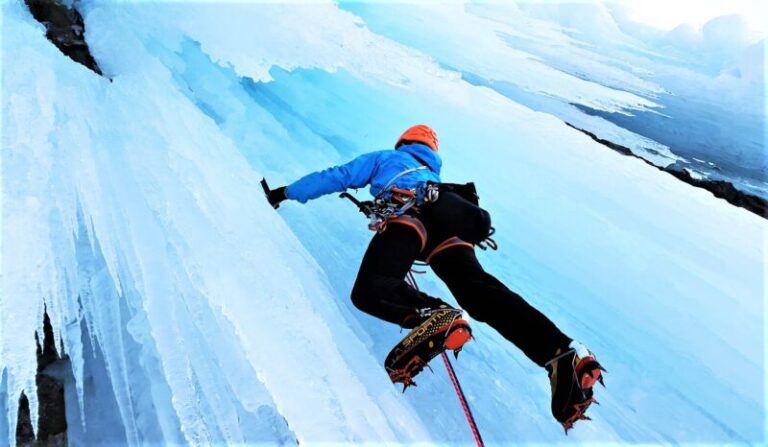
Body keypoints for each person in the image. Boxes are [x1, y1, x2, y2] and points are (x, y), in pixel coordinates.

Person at [265, 124, 604, 431]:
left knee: (372, 288)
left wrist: (283, 193)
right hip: (457, 218)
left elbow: (338, 175)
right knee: (478, 291)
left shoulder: (387, 158)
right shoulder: (435, 176)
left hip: (412, 213)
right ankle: (562, 351)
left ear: (403, 143)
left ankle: (435, 314)